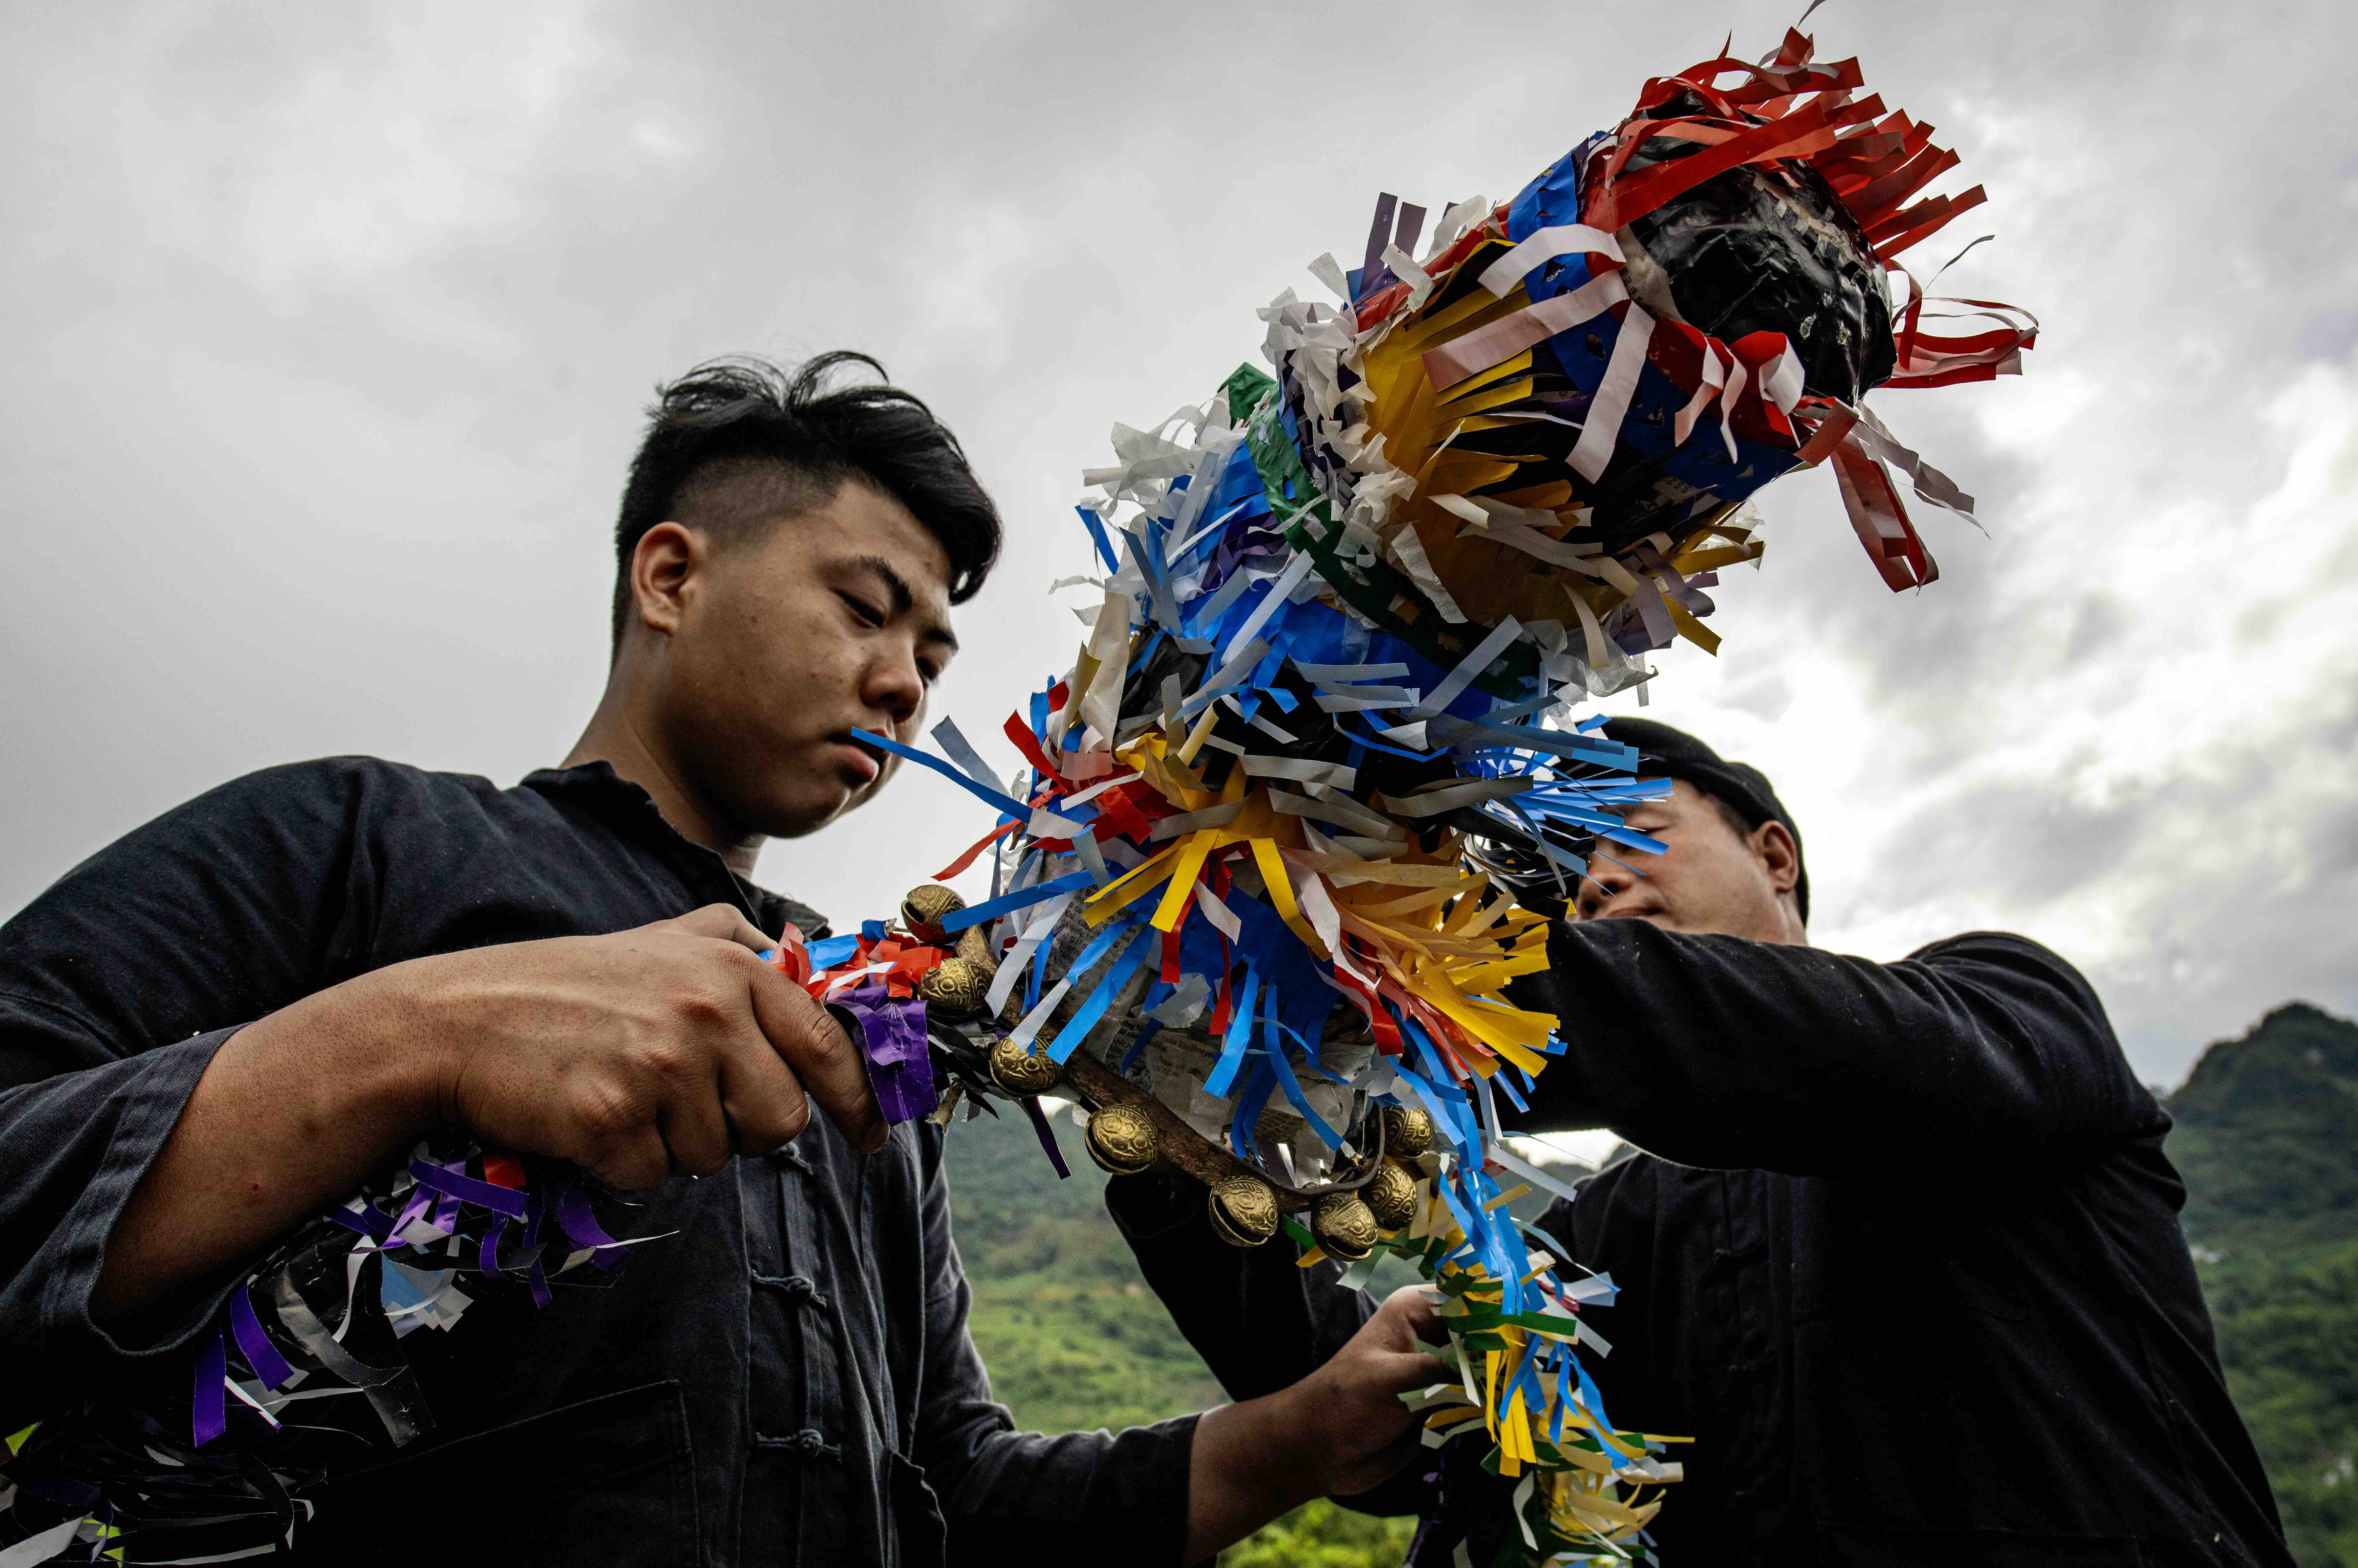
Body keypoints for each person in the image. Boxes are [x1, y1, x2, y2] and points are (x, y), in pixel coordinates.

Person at [0, 353, 1446, 1567]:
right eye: (864, 607)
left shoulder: (878, 1022)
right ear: (671, 575)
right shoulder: (363, 840)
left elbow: (950, 1490)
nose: (903, 680)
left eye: (935, 659)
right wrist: (425, 1032)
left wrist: (1302, 1433)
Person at [1111, 716, 2296, 1567]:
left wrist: (1397, 973)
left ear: (1775, 854)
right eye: (1572, 880)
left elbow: (1775, 1043)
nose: (1595, 887)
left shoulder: (2008, 1009)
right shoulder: (1613, 1228)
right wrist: (1176, 1130)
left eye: (1632, 833)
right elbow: (1382, 1423)